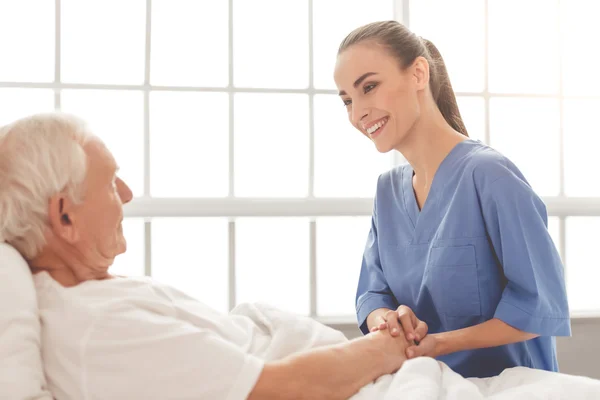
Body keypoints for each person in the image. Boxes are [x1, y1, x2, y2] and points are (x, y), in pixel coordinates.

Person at [0, 113, 411, 400]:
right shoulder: (99, 329)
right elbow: (288, 390)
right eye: (109, 183)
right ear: (64, 215)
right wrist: (388, 348)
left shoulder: (89, 296)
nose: (126, 194)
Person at [333, 20, 571, 378]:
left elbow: (539, 306)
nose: (357, 113)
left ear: (418, 74)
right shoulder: (387, 192)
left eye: (369, 87)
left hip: (507, 387)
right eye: (348, 100)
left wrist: (439, 343)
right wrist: (390, 321)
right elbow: (373, 295)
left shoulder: (489, 176)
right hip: (425, 385)